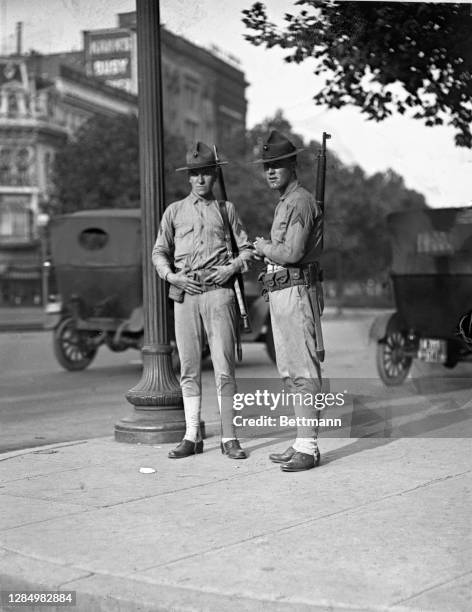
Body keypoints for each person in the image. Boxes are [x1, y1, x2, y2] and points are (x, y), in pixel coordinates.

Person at [152, 141, 252, 460]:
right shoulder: (174, 212)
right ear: (188, 177)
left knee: (224, 366)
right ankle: (192, 436)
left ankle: (229, 438)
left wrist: (231, 268)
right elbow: (159, 252)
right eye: (195, 174)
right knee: (189, 368)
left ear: (213, 175)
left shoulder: (226, 210)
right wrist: (172, 276)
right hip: (185, 294)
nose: (200, 180)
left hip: (219, 293)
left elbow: (247, 248)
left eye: (206, 173)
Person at [253, 130, 324, 472]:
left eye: (277, 164)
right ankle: (301, 440)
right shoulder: (286, 201)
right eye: (267, 165)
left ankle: (309, 447)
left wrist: (263, 247)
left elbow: (293, 252)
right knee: (290, 372)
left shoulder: (298, 201)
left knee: (303, 370)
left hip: (296, 290)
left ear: (292, 166)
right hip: (282, 291)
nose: (270, 171)